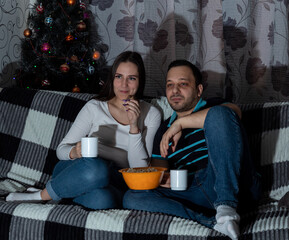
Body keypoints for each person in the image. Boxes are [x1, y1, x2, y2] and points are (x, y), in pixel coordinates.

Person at [123, 60, 261, 239]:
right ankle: (215, 223)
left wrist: (180, 123)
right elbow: (158, 172)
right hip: (194, 192)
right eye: (170, 85)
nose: (175, 90)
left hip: (232, 183)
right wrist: (163, 178)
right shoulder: (163, 130)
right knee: (131, 197)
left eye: (183, 84)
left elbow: (232, 114)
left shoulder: (215, 106)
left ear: (199, 90)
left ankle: (226, 206)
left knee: (218, 115)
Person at [6, 51, 162, 210]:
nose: (124, 85)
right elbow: (61, 150)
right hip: (80, 168)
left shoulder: (151, 114)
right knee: (98, 168)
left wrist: (134, 127)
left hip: (114, 181)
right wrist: (75, 152)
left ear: (140, 80)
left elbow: (139, 170)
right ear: (112, 78)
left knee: (104, 201)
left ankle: (61, 193)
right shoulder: (95, 107)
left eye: (132, 78)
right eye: (119, 76)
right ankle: (40, 196)